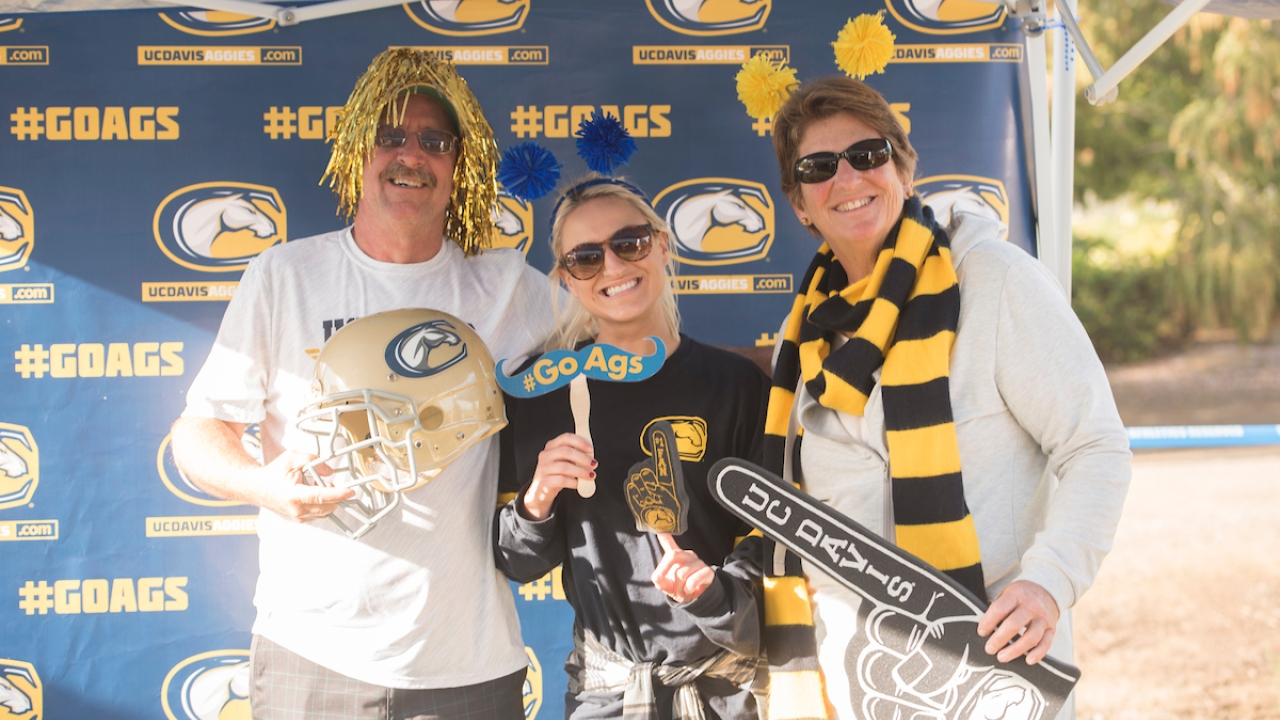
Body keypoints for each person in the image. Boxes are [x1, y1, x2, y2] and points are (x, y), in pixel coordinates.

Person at [169, 48, 557, 718]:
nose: (411, 155)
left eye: (434, 141)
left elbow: (630, 341)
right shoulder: (283, 276)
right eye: (390, 136)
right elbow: (197, 434)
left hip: (468, 664)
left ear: (458, 165)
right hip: (313, 655)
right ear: (358, 153)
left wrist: (770, 366)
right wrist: (267, 486)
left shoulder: (507, 288)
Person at [763, 76, 1131, 719]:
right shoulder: (800, 345)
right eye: (819, 168)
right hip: (860, 689)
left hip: (996, 680)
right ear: (799, 203)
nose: (847, 179)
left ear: (904, 169)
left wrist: (1048, 581)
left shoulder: (992, 279)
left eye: (868, 155)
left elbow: (1094, 443)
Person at [493, 176, 769, 720]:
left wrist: (714, 591)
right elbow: (516, 562)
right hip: (605, 699)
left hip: (728, 694)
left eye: (630, 243)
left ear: (663, 245)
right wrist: (538, 499)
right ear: (568, 280)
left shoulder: (736, 384)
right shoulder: (544, 392)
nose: (614, 268)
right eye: (586, 258)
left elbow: (774, 540)